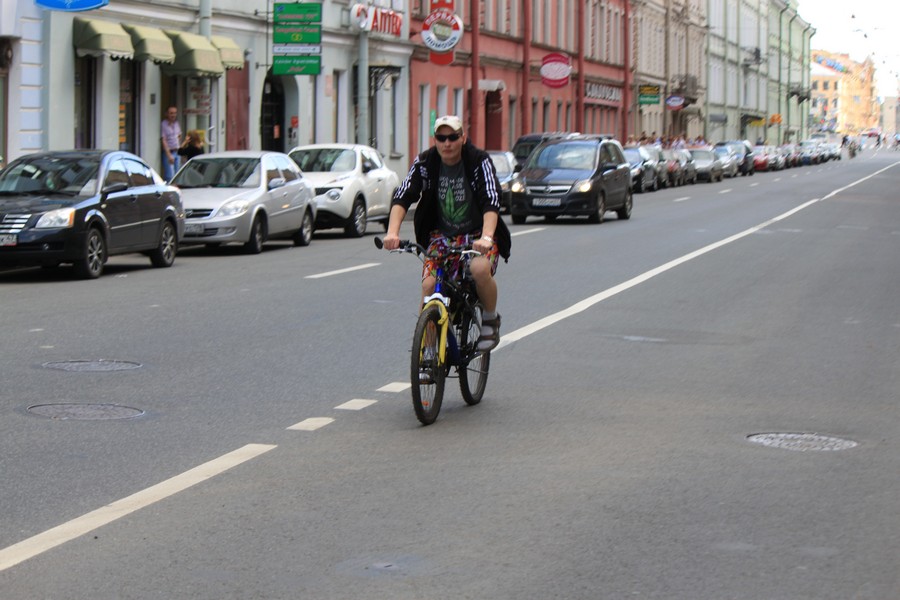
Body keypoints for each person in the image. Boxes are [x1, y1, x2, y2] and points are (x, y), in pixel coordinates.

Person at [383, 115, 511, 352]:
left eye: (453, 137)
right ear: (435, 140)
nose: (447, 143)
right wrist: (392, 233)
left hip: (477, 235)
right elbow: (403, 195)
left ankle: (491, 319)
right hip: (440, 237)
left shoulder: (477, 161)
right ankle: (428, 354)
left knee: (479, 269)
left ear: (463, 137)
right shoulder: (426, 162)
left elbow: (491, 200)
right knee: (429, 285)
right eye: (441, 138)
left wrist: (487, 237)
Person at [161, 106, 182, 181]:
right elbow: (164, 140)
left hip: (177, 151)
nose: (173, 115)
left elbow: (179, 135)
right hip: (169, 152)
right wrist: (169, 155)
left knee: (177, 174)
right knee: (170, 176)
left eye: (175, 113)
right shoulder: (163, 124)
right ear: (167, 114)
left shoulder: (176, 123)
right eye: (171, 113)